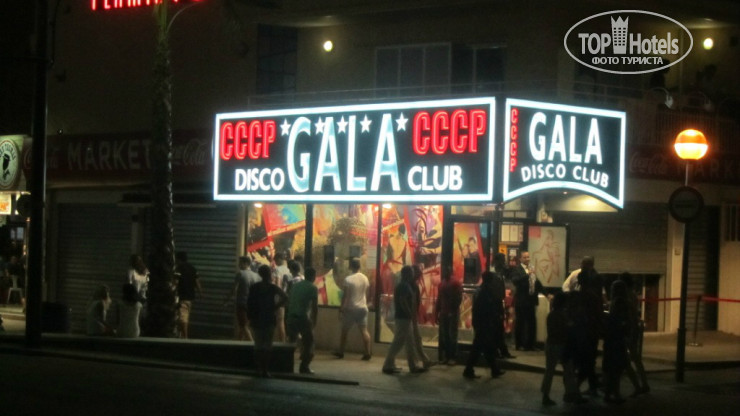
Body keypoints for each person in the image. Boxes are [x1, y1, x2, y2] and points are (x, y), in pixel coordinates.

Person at [540, 292, 582, 406]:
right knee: (568, 370)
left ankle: (545, 395)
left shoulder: (551, 315)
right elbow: (566, 329)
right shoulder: (563, 315)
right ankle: (571, 394)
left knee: (549, 371)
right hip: (561, 345)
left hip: (551, 344)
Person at [382, 265, 425, 374]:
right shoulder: (404, 286)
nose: (413, 274)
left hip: (403, 317)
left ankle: (412, 365)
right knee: (398, 342)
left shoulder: (402, 285)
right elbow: (403, 301)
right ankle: (388, 365)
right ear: (407, 274)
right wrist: (410, 313)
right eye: (411, 272)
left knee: (409, 342)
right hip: (404, 318)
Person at [462, 271, 506, 379]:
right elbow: (487, 308)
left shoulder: (480, 290)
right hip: (484, 324)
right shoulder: (486, 292)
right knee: (479, 348)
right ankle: (469, 370)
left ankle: (493, 370)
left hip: (480, 323)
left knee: (485, 347)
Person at [247, 265, 288, 378]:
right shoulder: (272, 287)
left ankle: (258, 369)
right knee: (267, 345)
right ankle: (265, 369)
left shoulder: (254, 287)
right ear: (269, 274)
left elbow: (249, 302)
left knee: (258, 345)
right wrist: (275, 307)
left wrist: (250, 316)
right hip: (269, 318)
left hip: (257, 318)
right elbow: (285, 297)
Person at [619, 272, 651, 397]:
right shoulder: (631, 294)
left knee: (631, 357)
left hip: (630, 328)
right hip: (633, 327)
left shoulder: (627, 295)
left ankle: (640, 385)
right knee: (635, 358)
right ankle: (643, 383)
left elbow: (630, 313)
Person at [335, 257, 372, 360]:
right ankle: (367, 352)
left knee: (344, 331)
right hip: (363, 308)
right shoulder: (365, 278)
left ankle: (341, 352)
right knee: (364, 331)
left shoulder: (348, 279)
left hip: (351, 308)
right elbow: (367, 293)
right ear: (359, 266)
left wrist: (341, 308)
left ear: (351, 266)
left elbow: (345, 296)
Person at [286, 267, 319, 374]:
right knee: (309, 342)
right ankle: (304, 366)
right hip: (303, 318)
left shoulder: (295, 286)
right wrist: (314, 321)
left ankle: (287, 366)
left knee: (291, 342)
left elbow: (289, 300)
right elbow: (314, 307)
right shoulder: (313, 288)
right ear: (313, 276)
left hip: (291, 317)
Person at [602, 279, 630, 404]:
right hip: (617, 339)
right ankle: (615, 393)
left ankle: (609, 394)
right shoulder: (621, 302)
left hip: (610, 338)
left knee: (611, 368)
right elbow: (622, 320)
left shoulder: (613, 302)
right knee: (617, 368)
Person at [511, 251, 544, 351]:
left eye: (528, 257)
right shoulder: (517, 269)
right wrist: (527, 275)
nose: (527, 259)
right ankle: (519, 344)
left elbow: (537, 283)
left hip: (531, 300)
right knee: (520, 323)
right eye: (525, 257)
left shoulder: (531, 268)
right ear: (520, 259)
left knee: (531, 323)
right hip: (521, 300)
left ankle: (530, 344)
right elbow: (515, 281)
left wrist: (546, 293)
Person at [224, 256, 260, 341]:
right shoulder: (256, 275)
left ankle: (252, 345)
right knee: (242, 326)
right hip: (252, 305)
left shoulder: (240, 273)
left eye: (240, 263)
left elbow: (234, 289)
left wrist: (227, 300)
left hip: (242, 303)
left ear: (246, 263)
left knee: (244, 326)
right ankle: (238, 344)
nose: (238, 264)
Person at [435, 265, 462, 365]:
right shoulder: (443, 283)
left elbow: (458, 298)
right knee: (446, 335)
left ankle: (452, 357)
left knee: (451, 335)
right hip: (445, 312)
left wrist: (452, 310)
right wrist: (437, 312)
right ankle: (448, 356)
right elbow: (439, 299)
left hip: (451, 312)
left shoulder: (454, 283)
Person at [491, 253, 515, 359]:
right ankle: (499, 351)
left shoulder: (499, 273)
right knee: (497, 329)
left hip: (498, 303)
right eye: (502, 260)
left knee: (499, 329)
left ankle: (501, 351)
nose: (504, 262)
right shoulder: (495, 274)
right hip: (495, 305)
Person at [411, 264, 434, 369]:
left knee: (415, 339)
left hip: (411, 315)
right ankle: (420, 361)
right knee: (414, 339)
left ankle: (424, 360)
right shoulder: (414, 286)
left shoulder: (412, 285)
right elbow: (415, 302)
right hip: (411, 316)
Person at [175, 251, 202, 339]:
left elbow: (176, 282)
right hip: (190, 297)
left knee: (183, 318)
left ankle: (185, 338)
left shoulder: (179, 268)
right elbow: (197, 282)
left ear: (179, 259)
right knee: (183, 316)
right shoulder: (193, 268)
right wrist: (201, 293)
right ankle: (181, 336)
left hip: (182, 296)